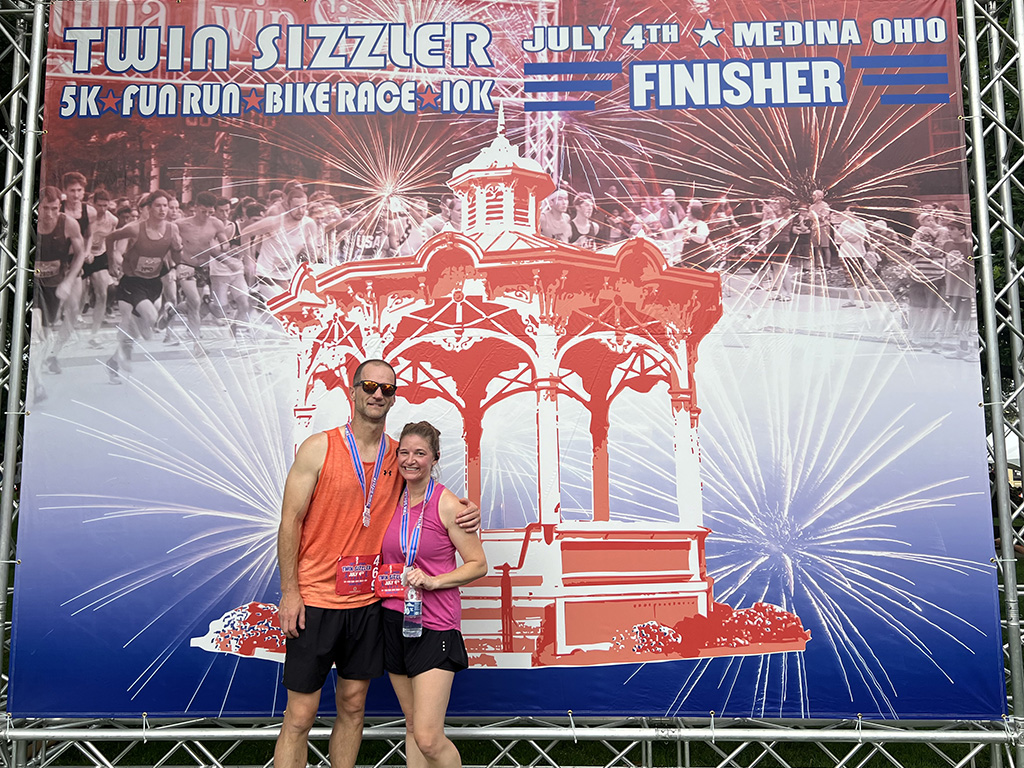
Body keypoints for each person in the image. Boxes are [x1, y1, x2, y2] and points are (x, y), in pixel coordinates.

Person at [274, 359, 481, 768]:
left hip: (368, 603)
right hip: (315, 600)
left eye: (387, 389)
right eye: (369, 385)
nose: (377, 394)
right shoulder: (320, 448)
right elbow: (289, 521)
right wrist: (290, 592)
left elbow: (429, 493)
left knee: (353, 707)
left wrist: (467, 510)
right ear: (352, 391)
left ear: (393, 397)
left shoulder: (397, 455)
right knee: (299, 716)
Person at [382, 421, 487, 768]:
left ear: (435, 458)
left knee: (428, 736)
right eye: (405, 452)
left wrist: (434, 581)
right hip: (393, 619)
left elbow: (478, 564)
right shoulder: (387, 499)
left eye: (420, 453)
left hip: (435, 626)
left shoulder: (449, 504)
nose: (411, 460)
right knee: (412, 727)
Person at [105, 190, 182, 381]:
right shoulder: (135, 229)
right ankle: (166, 313)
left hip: (153, 284)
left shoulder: (173, 229)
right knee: (151, 317)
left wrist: (177, 259)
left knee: (145, 334)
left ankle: (114, 361)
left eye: (166, 205)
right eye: (158, 205)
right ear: (149, 208)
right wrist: (111, 262)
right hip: (132, 282)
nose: (163, 209)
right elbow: (110, 238)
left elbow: (176, 256)